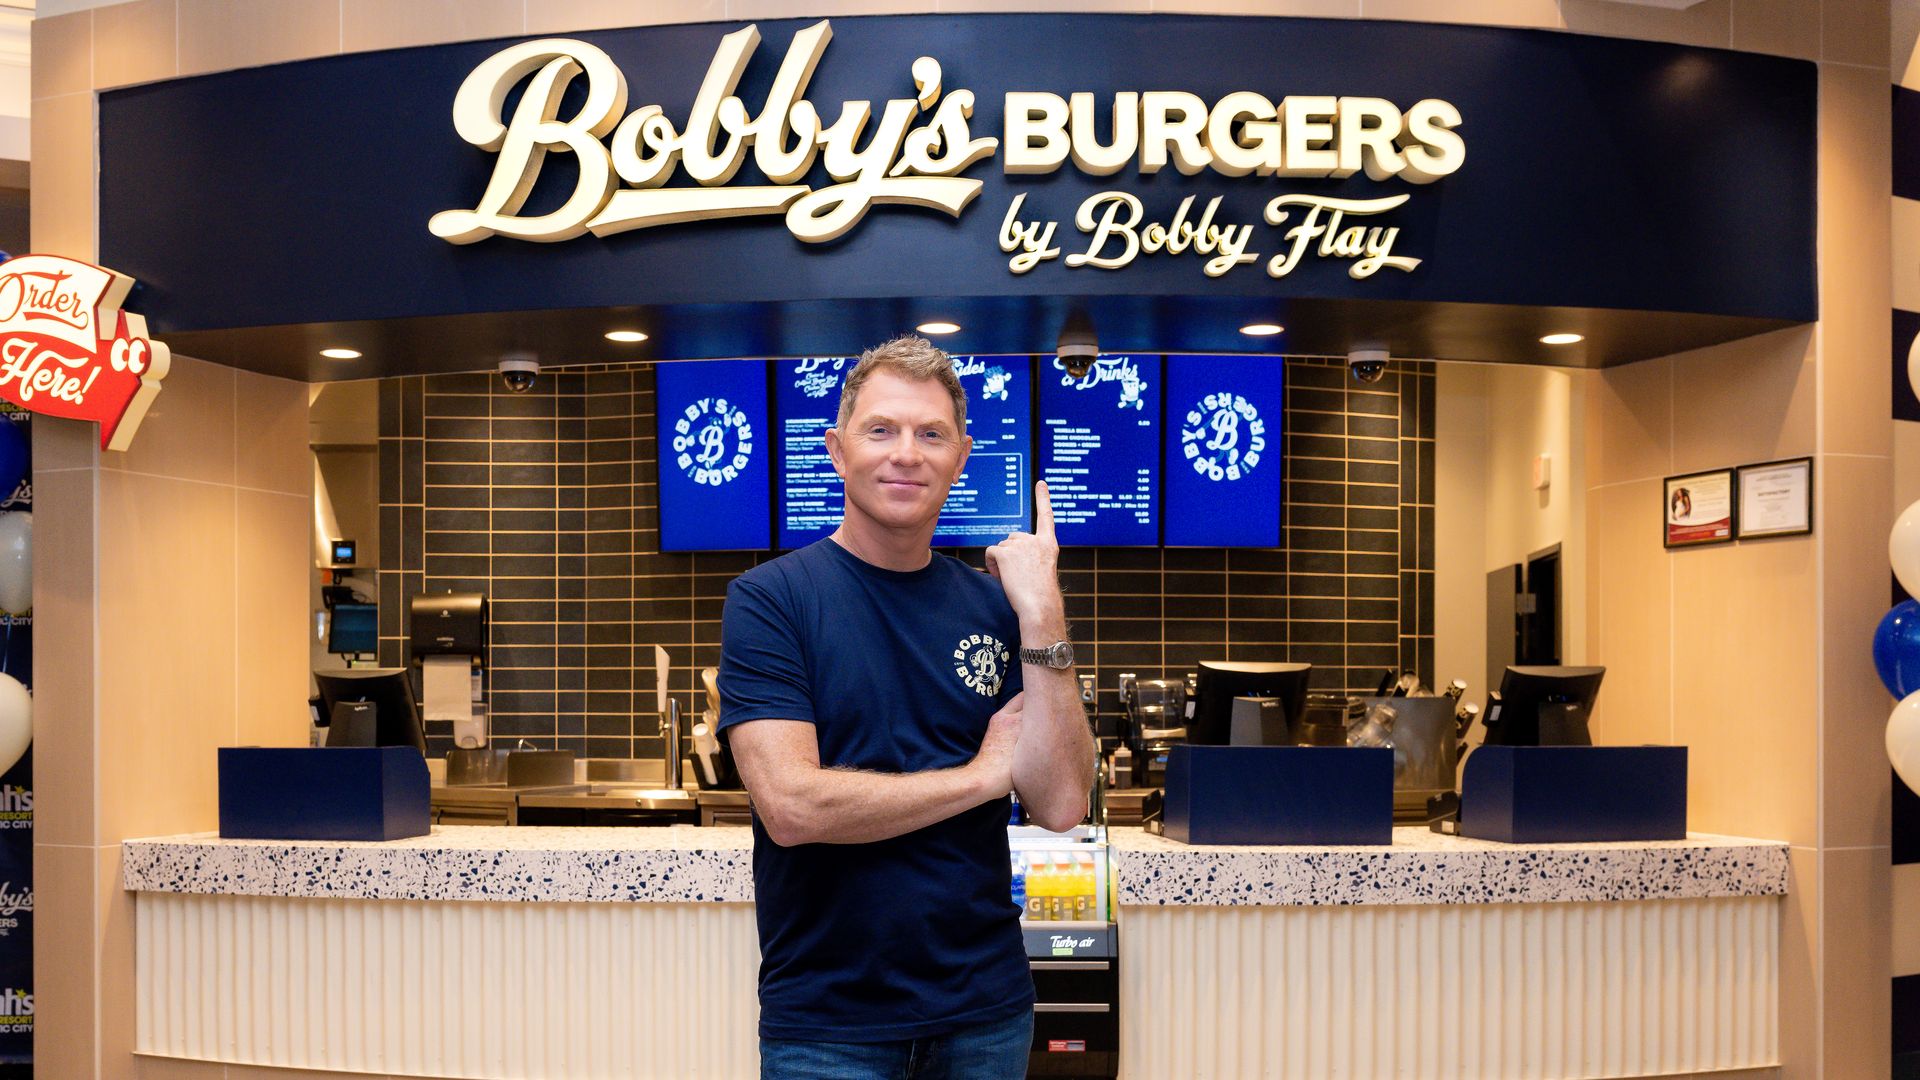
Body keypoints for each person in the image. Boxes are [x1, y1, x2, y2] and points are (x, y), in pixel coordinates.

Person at [718, 335, 1095, 1080]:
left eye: (931, 435)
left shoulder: (997, 610)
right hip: (828, 1025)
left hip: (986, 1012)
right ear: (836, 450)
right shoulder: (771, 602)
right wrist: (982, 779)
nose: (906, 454)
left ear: (962, 458)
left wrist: (1043, 614)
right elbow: (793, 806)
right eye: (881, 430)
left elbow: (1060, 802)